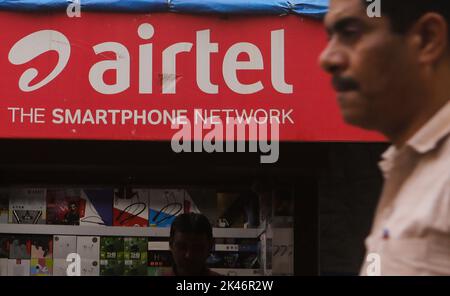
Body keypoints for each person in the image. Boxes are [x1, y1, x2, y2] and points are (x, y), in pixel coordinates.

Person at [319, 0, 450, 275]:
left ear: (428, 39)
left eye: (352, 32)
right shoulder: (407, 167)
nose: (327, 59)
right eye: (330, 37)